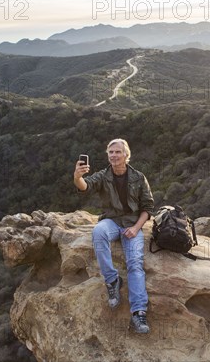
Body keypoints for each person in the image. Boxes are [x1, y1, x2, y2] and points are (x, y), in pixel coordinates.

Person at [73, 138, 153, 334]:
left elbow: (148, 208)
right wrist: (77, 177)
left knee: (135, 263)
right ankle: (112, 280)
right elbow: (85, 186)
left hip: (132, 225)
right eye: (111, 152)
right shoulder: (103, 176)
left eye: (118, 152)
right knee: (98, 231)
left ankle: (138, 313)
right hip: (112, 222)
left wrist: (135, 228)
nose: (114, 155)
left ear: (126, 155)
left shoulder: (138, 177)